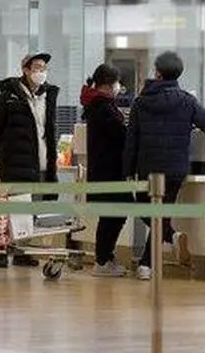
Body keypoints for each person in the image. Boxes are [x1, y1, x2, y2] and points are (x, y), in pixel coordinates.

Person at [124, 51, 205, 280]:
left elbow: (132, 140)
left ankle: (147, 263)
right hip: (175, 168)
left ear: (157, 73)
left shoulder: (140, 102)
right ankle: (169, 237)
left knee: (148, 212)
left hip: (147, 168)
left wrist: (128, 170)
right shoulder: (187, 100)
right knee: (161, 213)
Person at [0, 52, 59, 269]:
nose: (41, 72)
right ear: (25, 70)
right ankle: (2, 252)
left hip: (41, 164)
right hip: (16, 165)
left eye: (44, 68)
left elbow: (48, 131)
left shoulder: (47, 97)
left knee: (31, 211)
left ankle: (22, 252)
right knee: (12, 210)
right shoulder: (7, 99)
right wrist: (5, 158)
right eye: (37, 67)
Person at [81, 64, 133, 277]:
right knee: (114, 215)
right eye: (117, 83)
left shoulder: (97, 104)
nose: (119, 87)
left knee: (112, 215)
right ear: (108, 85)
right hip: (109, 171)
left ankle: (104, 258)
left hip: (104, 170)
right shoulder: (103, 107)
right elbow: (121, 136)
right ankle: (102, 260)